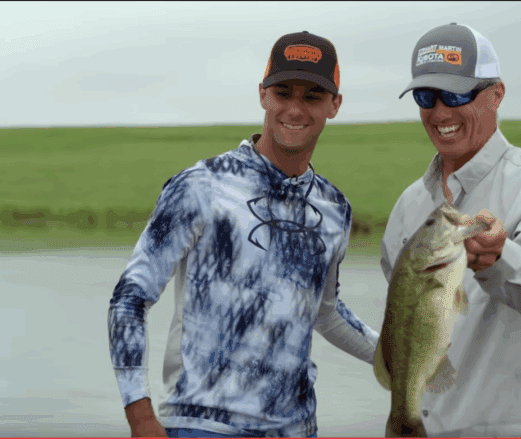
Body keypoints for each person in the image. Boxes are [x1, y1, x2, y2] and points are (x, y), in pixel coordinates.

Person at [107, 31, 379, 438]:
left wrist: (409, 359)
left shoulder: (333, 208)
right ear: (263, 95)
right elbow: (129, 298)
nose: (294, 108)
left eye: (312, 97)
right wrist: (140, 416)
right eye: (283, 92)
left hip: (298, 429)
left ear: (335, 105)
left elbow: (325, 312)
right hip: (199, 424)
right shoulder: (202, 184)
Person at [380, 23, 521, 437]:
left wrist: (498, 257)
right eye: (426, 96)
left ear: (496, 95)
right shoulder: (409, 205)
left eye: (456, 95)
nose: (440, 113)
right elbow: (399, 322)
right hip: (422, 425)